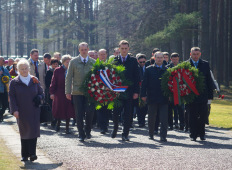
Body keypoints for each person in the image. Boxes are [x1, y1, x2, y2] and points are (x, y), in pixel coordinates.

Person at [9, 59, 44, 162]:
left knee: (33, 132)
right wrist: (14, 110)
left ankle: (33, 154)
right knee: (24, 132)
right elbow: (12, 97)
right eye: (21, 69)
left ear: (29, 68)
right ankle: (24, 155)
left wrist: (40, 97)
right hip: (21, 111)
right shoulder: (14, 82)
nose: (24, 71)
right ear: (17, 70)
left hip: (34, 110)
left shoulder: (34, 80)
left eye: (26, 68)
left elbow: (42, 93)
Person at [65, 42, 96, 141]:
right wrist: (68, 91)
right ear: (79, 50)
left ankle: (88, 130)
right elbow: (69, 77)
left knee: (90, 111)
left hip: (90, 92)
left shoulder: (93, 62)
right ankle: (81, 133)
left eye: (85, 49)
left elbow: (97, 78)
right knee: (79, 113)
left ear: (88, 49)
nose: (83, 51)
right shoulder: (73, 62)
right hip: (77, 92)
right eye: (82, 50)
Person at [111, 40, 140, 141]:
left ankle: (125, 134)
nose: (124, 50)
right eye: (122, 48)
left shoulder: (133, 60)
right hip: (117, 92)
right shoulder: (114, 60)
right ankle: (115, 128)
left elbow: (137, 77)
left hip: (129, 91)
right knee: (115, 113)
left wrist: (136, 92)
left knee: (128, 114)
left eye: (125, 48)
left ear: (128, 49)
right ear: (119, 49)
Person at [186, 47, 213, 141]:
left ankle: (202, 134)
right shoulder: (185, 64)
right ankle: (193, 134)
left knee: (203, 115)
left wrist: (210, 96)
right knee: (192, 116)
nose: (195, 56)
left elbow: (209, 80)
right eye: (194, 54)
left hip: (203, 95)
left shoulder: (205, 64)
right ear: (190, 54)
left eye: (197, 54)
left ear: (200, 54)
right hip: (190, 95)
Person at [141, 52, 169, 142]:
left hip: (164, 97)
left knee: (164, 118)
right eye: (158, 58)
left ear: (163, 59)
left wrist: (170, 96)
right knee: (151, 117)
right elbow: (144, 84)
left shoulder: (167, 70)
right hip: (152, 96)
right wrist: (143, 95)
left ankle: (163, 136)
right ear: (154, 58)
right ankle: (151, 133)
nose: (160, 59)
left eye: (161, 58)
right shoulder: (149, 69)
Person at [50, 55, 75, 134]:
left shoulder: (73, 70)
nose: (69, 63)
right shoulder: (58, 70)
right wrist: (52, 92)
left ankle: (67, 127)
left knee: (68, 110)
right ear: (63, 62)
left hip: (70, 92)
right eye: (67, 62)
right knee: (59, 109)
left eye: (70, 62)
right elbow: (53, 82)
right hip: (59, 92)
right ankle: (58, 124)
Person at [166, 53, 185, 130]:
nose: (175, 61)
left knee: (181, 109)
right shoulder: (167, 68)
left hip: (180, 92)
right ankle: (171, 124)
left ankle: (182, 124)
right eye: (173, 59)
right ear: (171, 59)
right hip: (171, 92)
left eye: (176, 59)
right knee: (170, 109)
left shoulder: (182, 67)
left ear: (178, 59)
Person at [45, 58, 59, 127]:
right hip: (50, 91)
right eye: (54, 64)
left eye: (56, 64)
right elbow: (47, 82)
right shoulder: (49, 71)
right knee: (50, 106)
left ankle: (55, 121)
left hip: (58, 91)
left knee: (57, 107)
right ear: (51, 65)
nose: (55, 65)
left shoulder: (60, 71)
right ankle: (49, 120)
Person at [136, 53, 147, 128]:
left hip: (146, 89)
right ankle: (141, 121)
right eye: (141, 62)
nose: (142, 63)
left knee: (145, 107)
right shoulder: (136, 68)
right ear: (138, 61)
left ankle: (143, 120)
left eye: (144, 62)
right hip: (139, 89)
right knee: (139, 107)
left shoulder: (148, 67)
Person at [0, 57, 10, 122]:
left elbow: (9, 76)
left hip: (4, 89)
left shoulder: (5, 69)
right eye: (3, 60)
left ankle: (1, 114)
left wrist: (6, 77)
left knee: (5, 104)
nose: (4, 61)